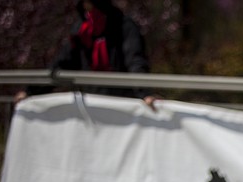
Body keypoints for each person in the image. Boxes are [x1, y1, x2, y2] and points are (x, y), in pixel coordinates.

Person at [15, 0, 155, 106]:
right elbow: (61, 64)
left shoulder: (124, 27)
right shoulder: (82, 30)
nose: (90, 14)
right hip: (91, 102)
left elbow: (135, 61)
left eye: (93, 8)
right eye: (86, 9)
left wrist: (144, 94)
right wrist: (31, 91)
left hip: (120, 101)